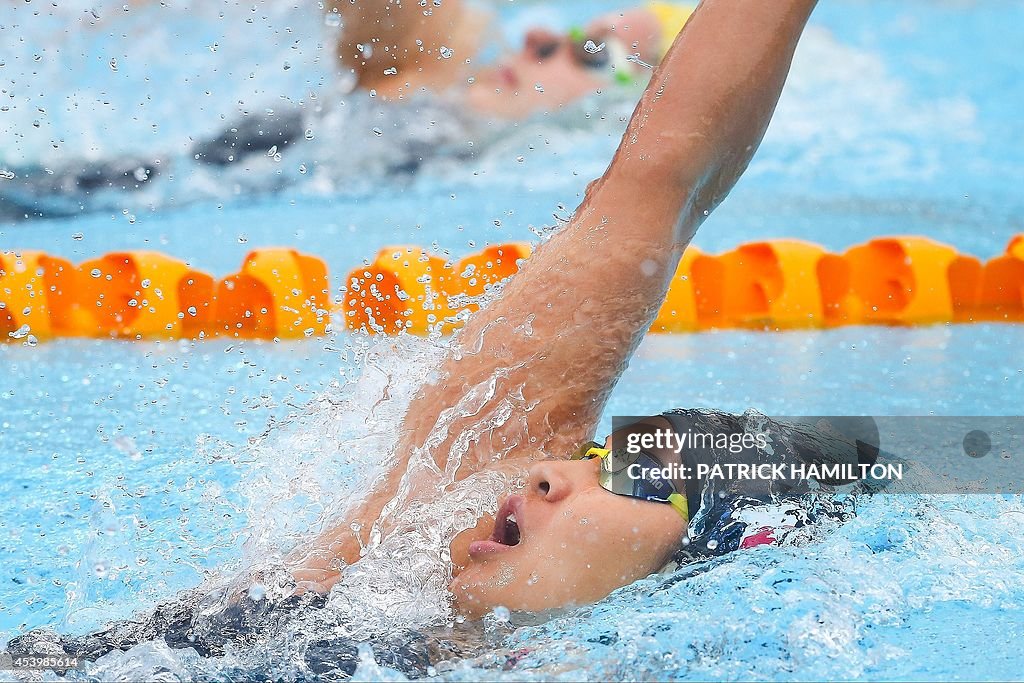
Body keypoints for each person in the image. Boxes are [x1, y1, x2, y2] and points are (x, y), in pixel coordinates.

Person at [6, 0, 860, 675]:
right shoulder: (385, 561)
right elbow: (659, 184)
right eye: (600, 451)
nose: (554, 470)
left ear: (699, 565)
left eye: (640, 477)